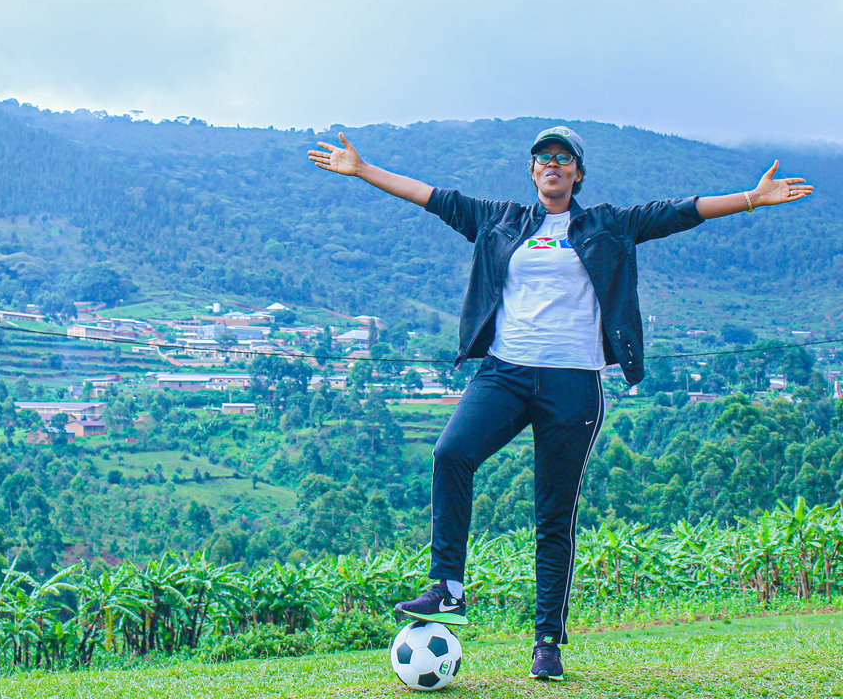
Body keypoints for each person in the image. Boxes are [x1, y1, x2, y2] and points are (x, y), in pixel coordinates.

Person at [308, 125, 813, 681]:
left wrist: (750, 199)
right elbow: (430, 196)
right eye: (543, 157)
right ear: (532, 171)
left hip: (574, 383)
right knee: (451, 453)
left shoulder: (607, 225)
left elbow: (679, 211)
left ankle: (547, 641)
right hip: (505, 372)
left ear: (577, 172)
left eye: (563, 158)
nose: (552, 164)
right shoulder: (498, 220)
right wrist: (362, 169)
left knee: (554, 516)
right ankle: (447, 587)